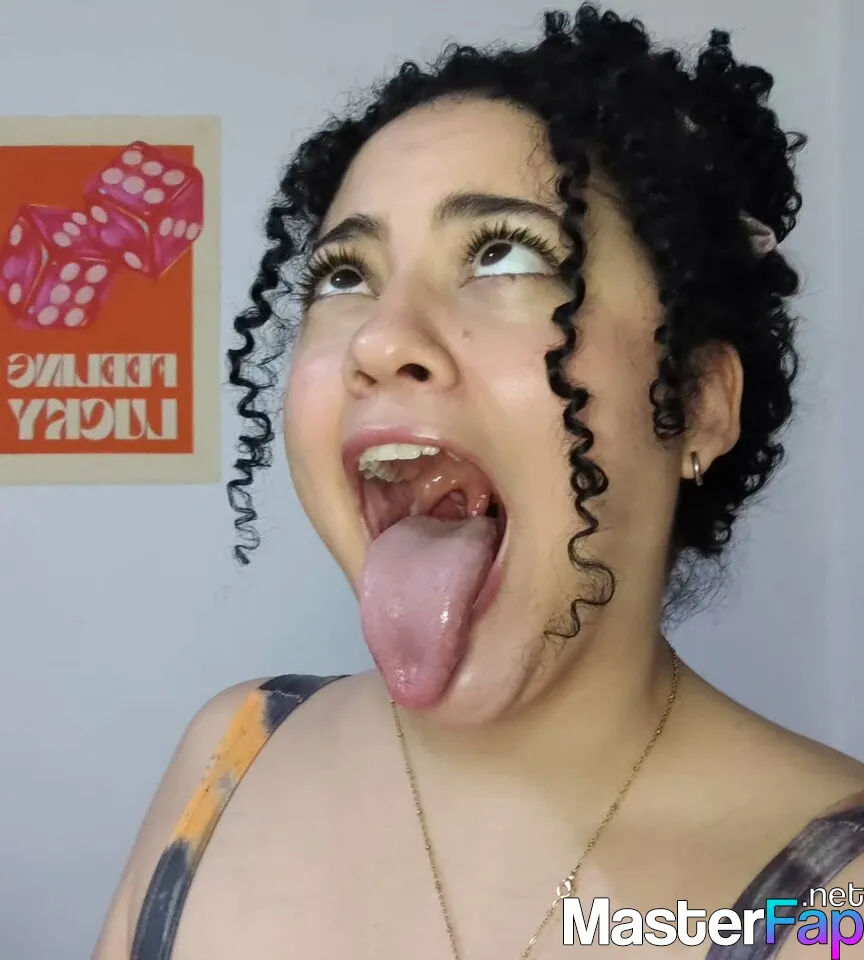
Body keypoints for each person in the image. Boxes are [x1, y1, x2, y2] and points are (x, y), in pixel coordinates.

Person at [93, 6, 864, 959]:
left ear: (698, 402)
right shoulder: (230, 754)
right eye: (344, 275)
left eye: (505, 253)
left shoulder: (832, 906)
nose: (380, 338)